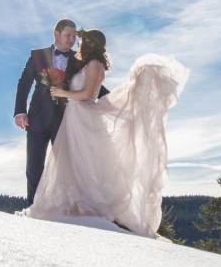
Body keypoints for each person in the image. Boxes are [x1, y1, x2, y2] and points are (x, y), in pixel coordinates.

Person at [26, 29, 188, 237]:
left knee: (84, 162)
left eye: (82, 41)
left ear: (90, 44)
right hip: (75, 116)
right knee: (76, 162)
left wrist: (62, 92)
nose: (79, 44)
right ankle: (72, 203)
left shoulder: (94, 65)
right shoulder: (88, 64)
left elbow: (86, 94)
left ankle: (90, 206)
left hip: (82, 116)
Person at [14, 19, 109, 206]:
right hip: (36, 120)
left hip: (66, 121)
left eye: (75, 36)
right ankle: (33, 208)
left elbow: (94, 84)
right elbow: (24, 83)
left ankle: (66, 207)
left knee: (66, 168)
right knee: (33, 167)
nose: (72, 40)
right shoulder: (37, 55)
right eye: (68, 35)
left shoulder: (80, 59)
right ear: (56, 34)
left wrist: (118, 100)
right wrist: (20, 112)